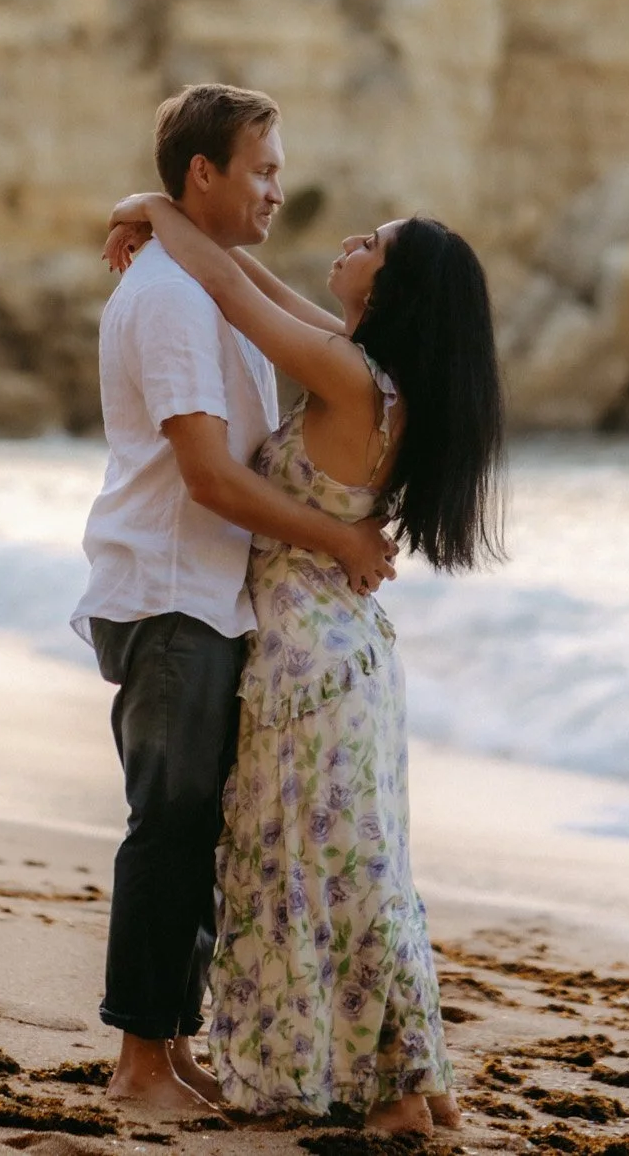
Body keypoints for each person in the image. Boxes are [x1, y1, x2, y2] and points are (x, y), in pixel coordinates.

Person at [101, 187, 506, 1134]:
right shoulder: (370, 371)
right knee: (361, 865)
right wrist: (158, 207)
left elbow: (231, 291)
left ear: (390, 285)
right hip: (345, 654)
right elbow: (259, 281)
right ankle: (416, 1077)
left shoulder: (351, 375)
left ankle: (402, 1090)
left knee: (329, 867)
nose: (350, 240)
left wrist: (161, 212)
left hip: (308, 660)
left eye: (373, 242)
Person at [73, 84, 401, 1112]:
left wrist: (152, 203)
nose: (278, 189)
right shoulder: (170, 298)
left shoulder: (199, 283)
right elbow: (210, 476)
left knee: (190, 824)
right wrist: (339, 536)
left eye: (280, 168)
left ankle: (168, 1050)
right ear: (203, 173)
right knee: (166, 823)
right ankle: (137, 1061)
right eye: (260, 169)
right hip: (171, 593)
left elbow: (249, 284)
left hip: (208, 596)